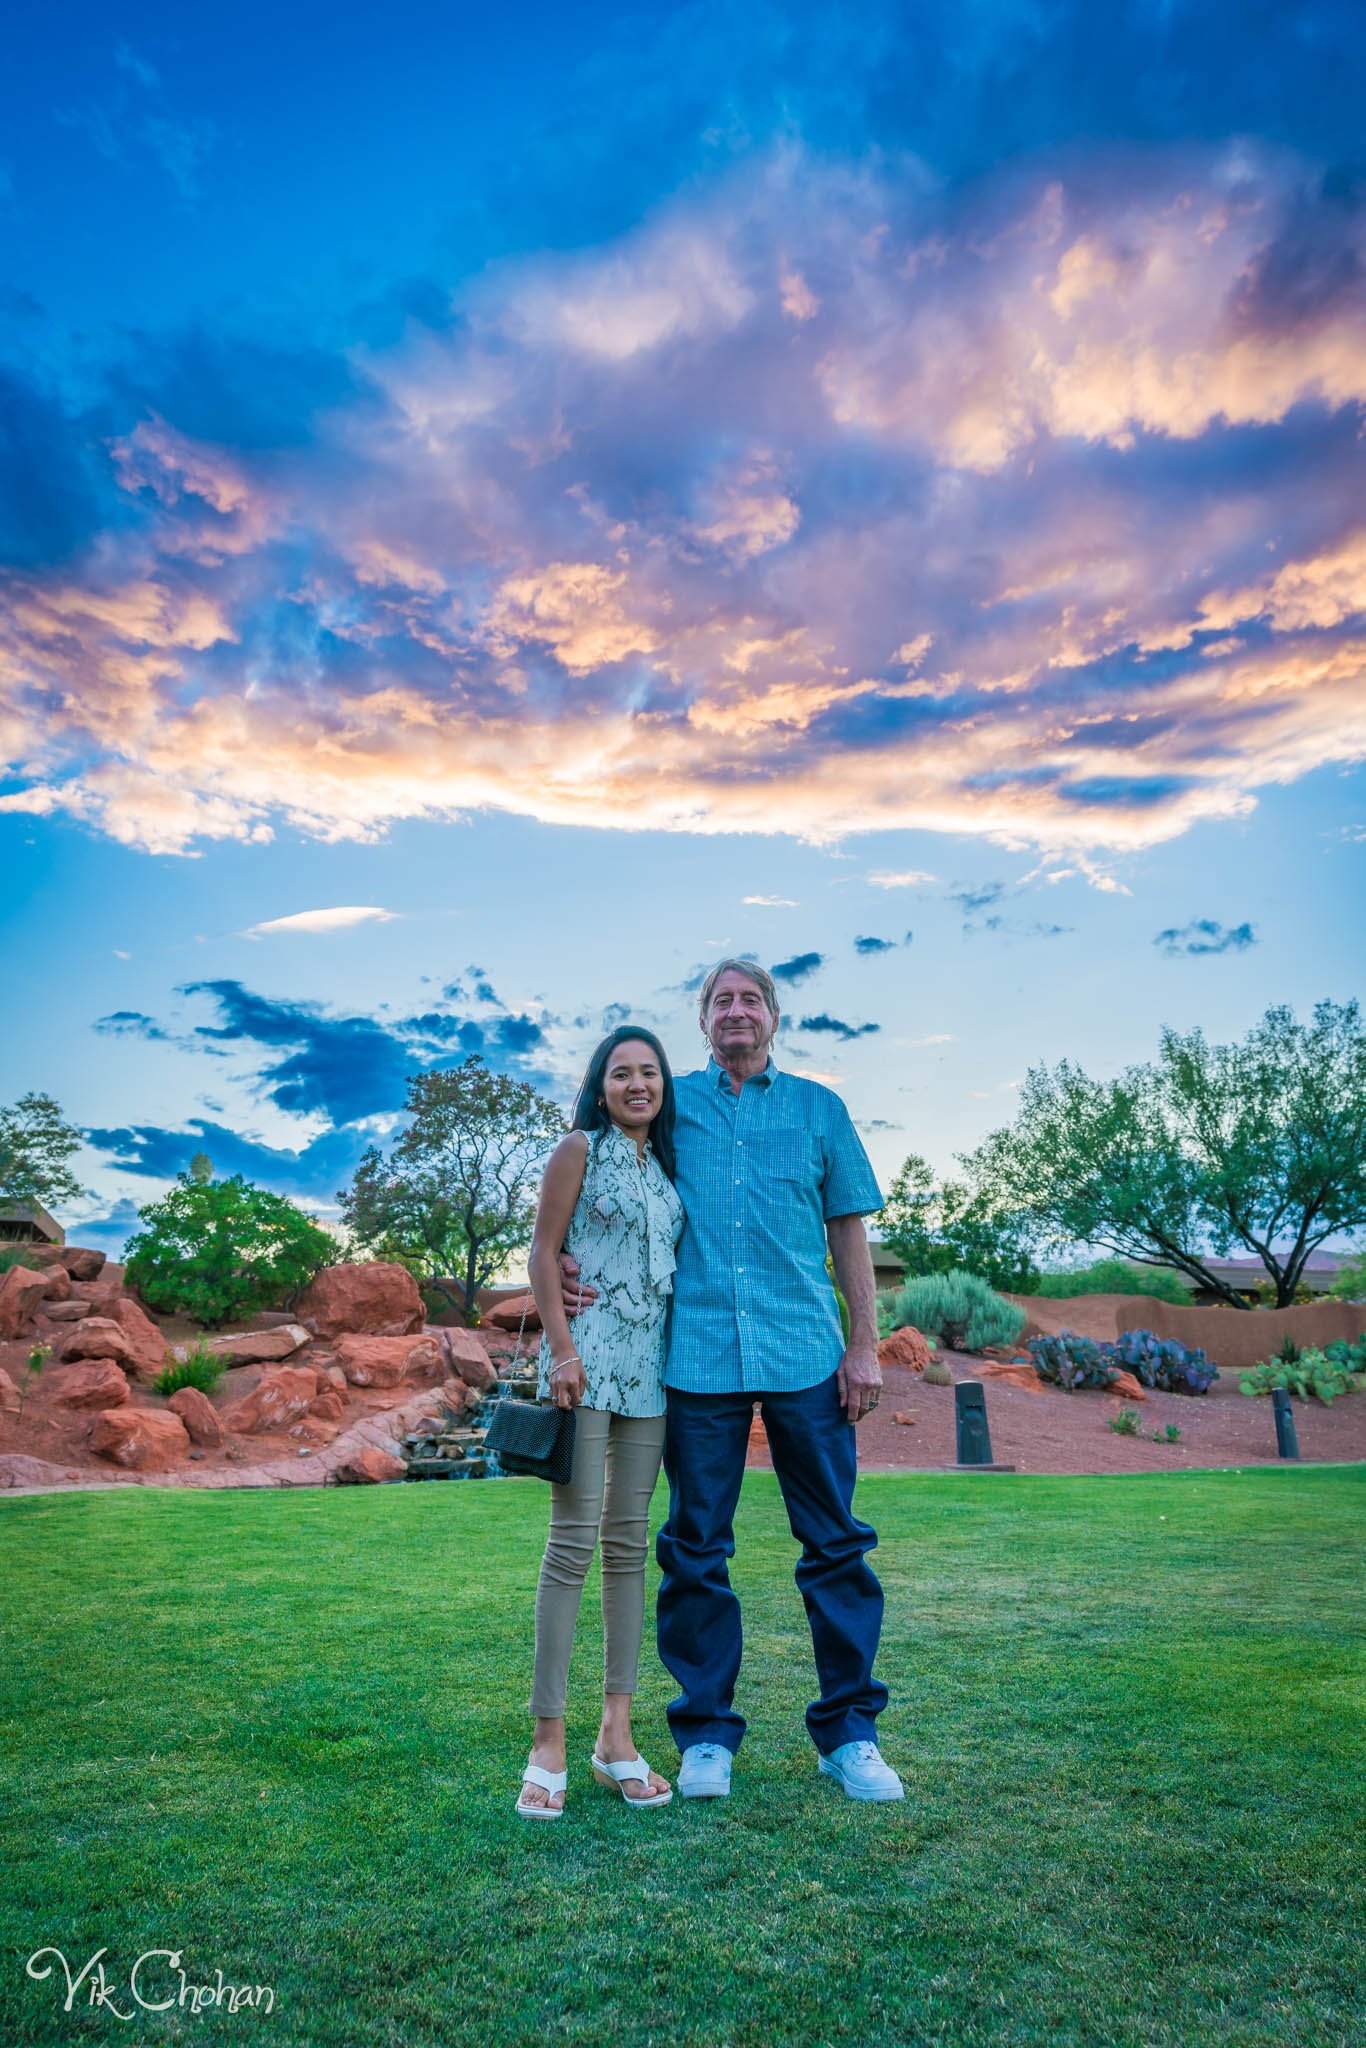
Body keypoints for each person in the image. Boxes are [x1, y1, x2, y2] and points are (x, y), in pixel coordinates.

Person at [560, 961, 902, 1803]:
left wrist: (867, 1345)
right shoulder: (671, 1106)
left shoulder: (820, 1109)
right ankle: (707, 1733)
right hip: (698, 1357)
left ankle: (849, 1733)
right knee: (694, 1550)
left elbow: (849, 1232)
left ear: (774, 1016)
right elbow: (601, 1181)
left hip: (805, 1357)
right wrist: (562, 1260)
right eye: (722, 1000)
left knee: (835, 1545)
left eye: (751, 999)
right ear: (703, 1018)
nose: (736, 1011)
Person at [515, 1026, 686, 1819]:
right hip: (585, 1372)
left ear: (663, 1086)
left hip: (650, 1381)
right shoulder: (577, 1148)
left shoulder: (667, 1165)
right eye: (622, 1073)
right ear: (601, 1083)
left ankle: (615, 1736)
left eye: (650, 1072)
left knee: (627, 1550)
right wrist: (560, 1350)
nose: (638, 1084)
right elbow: (544, 1254)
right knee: (569, 1549)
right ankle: (547, 1740)